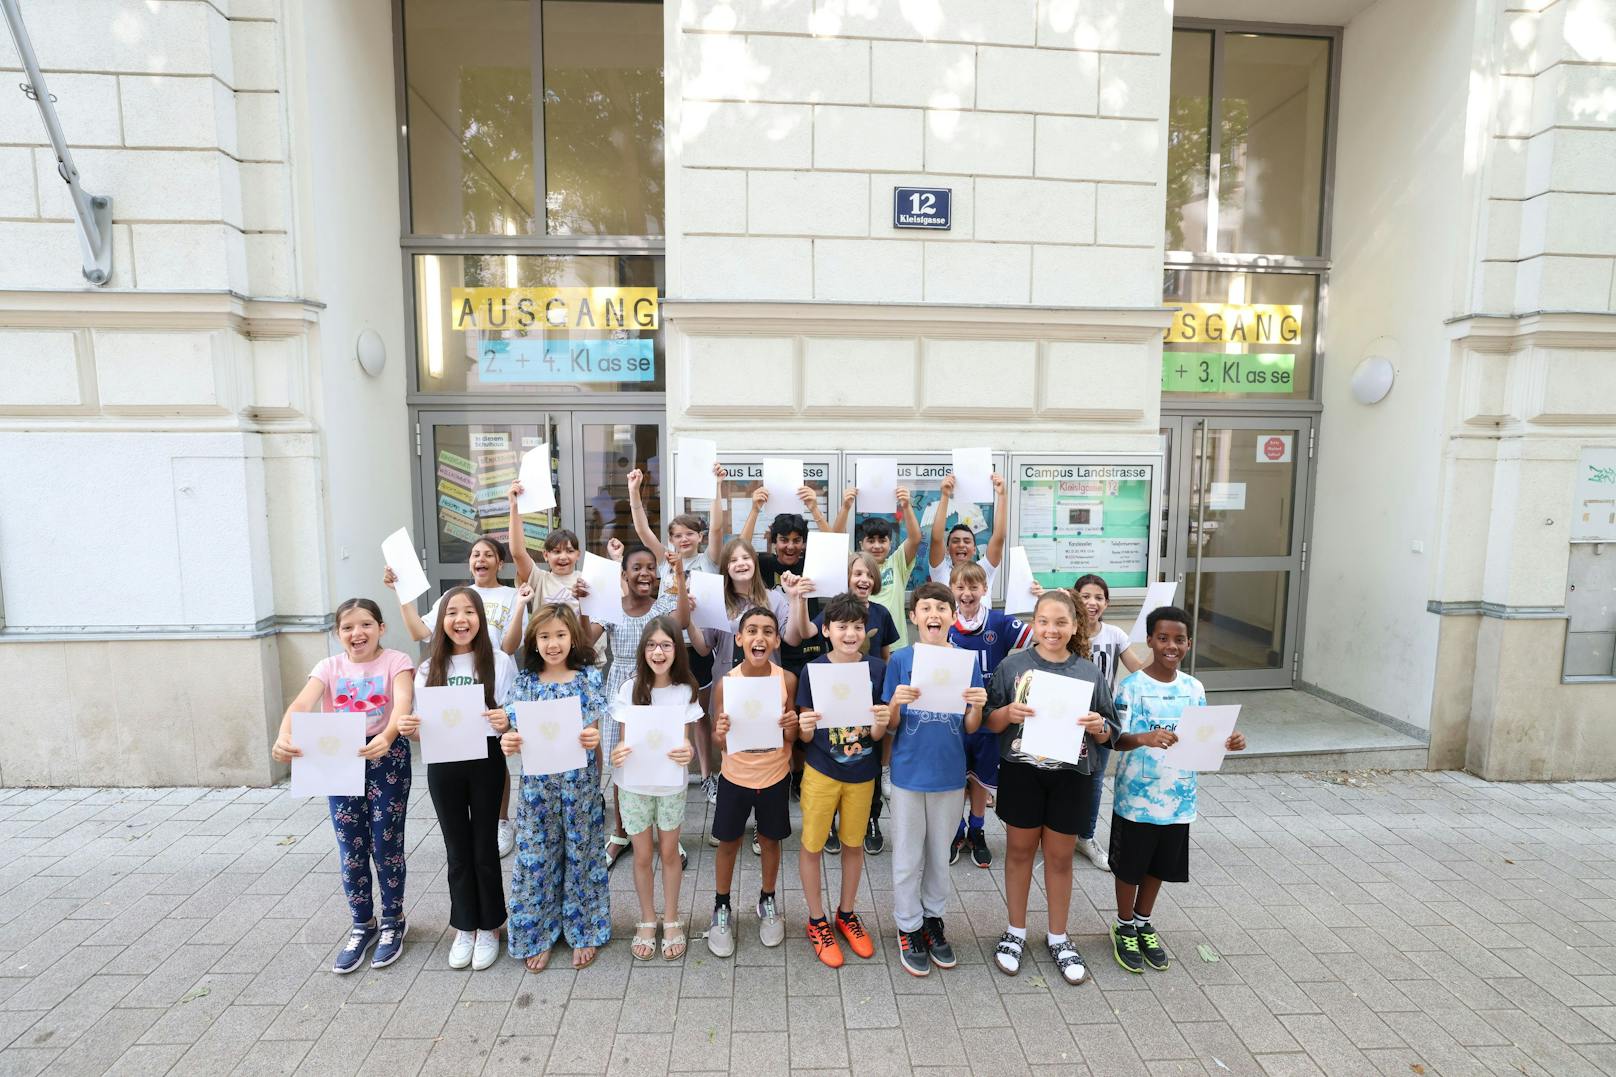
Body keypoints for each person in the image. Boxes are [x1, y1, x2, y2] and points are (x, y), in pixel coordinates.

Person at [272, 598, 415, 974]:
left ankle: (393, 921)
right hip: (337, 759)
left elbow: (402, 703)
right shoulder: (328, 667)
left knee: (386, 843)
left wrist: (387, 735)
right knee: (350, 844)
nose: (358, 633)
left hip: (386, 757)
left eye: (366, 624)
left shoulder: (397, 661)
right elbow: (302, 704)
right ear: (338, 634)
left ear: (381, 628)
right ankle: (362, 923)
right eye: (348, 627)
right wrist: (283, 736)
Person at [983, 589, 1117, 986]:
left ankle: (1058, 936)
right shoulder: (1013, 666)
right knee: (1020, 852)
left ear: (1076, 625)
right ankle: (1015, 931)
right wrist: (1006, 713)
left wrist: (1099, 727)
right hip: (1022, 772)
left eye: (1061, 622)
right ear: (1033, 625)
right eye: (1044, 622)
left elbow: (1110, 729)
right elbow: (990, 722)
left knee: (1059, 858)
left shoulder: (1088, 672)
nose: (1052, 629)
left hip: (1071, 776)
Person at [1109, 605, 1245, 974]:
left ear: (1189, 643)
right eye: (1164, 638)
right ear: (1150, 640)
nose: (1172, 645)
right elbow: (1115, 739)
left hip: (1179, 797)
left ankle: (1142, 920)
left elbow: (1203, 736)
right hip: (1137, 798)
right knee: (1130, 865)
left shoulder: (1193, 688)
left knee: (1160, 864)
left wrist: (1226, 741)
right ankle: (1122, 925)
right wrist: (1145, 737)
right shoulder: (1131, 686)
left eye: (1179, 639)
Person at [395, 588, 516, 971]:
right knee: (456, 848)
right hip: (443, 763)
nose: (460, 620)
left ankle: (491, 925)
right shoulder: (430, 668)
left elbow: (513, 711)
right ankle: (465, 925)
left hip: (485, 760)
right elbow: (418, 723)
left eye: (468, 612)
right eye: (452, 613)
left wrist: (507, 719)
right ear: (441, 621)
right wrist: (409, 728)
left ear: (480, 618)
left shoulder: (498, 660)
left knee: (484, 847)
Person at [882, 582, 986, 977]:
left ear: (952, 616)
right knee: (908, 855)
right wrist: (896, 702)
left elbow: (971, 726)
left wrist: (975, 706)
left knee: (939, 855)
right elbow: (890, 725)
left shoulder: (966, 660)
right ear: (914, 617)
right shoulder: (901, 661)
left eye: (942, 608)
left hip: (949, 774)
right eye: (926, 608)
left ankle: (932, 919)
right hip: (909, 773)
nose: (934, 615)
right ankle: (907, 925)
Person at [499, 603, 610, 972]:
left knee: (583, 854)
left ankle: (584, 930)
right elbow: (513, 732)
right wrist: (509, 742)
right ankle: (537, 933)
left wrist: (593, 738)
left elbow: (592, 728)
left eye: (560, 635)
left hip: (579, 785)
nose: (553, 643)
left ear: (573, 639)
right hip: (536, 789)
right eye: (544, 636)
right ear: (533, 641)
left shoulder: (588, 679)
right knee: (536, 858)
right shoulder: (525, 683)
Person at [793, 592, 887, 967]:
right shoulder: (812, 670)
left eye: (857, 627)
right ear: (826, 630)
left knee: (853, 844)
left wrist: (881, 725)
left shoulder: (877, 670)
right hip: (821, 770)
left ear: (865, 631)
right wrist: (803, 726)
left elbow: (878, 736)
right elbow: (802, 737)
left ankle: (846, 913)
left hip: (863, 772)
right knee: (813, 845)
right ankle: (816, 920)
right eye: (842, 626)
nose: (850, 634)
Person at [627, 464, 724, 804]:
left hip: (698, 646)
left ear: (699, 537)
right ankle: (660, 764)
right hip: (665, 647)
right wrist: (635, 492)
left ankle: (708, 776)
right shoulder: (665, 562)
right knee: (661, 706)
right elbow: (642, 528)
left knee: (699, 713)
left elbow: (718, 529)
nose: (683, 539)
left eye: (689, 534)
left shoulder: (709, 560)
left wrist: (716, 485)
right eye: (677, 535)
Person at [705, 608, 798, 957]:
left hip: (774, 776)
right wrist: (721, 733)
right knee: (727, 842)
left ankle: (767, 899)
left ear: (776, 640)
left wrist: (791, 724)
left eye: (768, 632)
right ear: (740, 639)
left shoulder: (786, 681)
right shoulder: (726, 685)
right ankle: (721, 906)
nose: (760, 637)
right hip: (735, 776)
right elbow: (721, 742)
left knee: (771, 840)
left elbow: (791, 738)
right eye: (752, 631)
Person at [609, 617, 702, 961]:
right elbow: (621, 746)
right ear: (642, 650)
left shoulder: (685, 691)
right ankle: (648, 919)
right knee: (643, 856)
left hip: (670, 786)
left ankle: (673, 918)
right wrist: (617, 755)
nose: (658, 652)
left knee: (669, 852)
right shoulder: (628, 688)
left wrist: (688, 752)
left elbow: (687, 744)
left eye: (665, 645)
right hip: (633, 786)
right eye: (651, 645)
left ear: (676, 650)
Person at [597, 544, 682, 869]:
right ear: (624, 574)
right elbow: (585, 637)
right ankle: (621, 833)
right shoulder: (612, 607)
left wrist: (680, 578)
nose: (645, 573)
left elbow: (683, 621)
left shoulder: (662, 605)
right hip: (622, 688)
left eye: (651, 567)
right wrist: (586, 602)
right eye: (637, 567)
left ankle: (664, 837)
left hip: (657, 690)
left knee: (658, 758)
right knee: (624, 763)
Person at [945, 560, 1032, 869]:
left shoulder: (998, 622)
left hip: (990, 714)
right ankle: (955, 832)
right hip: (954, 714)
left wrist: (1041, 598)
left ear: (984, 589)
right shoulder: (945, 622)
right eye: (960, 586)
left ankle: (977, 829)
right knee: (955, 776)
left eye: (973, 587)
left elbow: (1038, 635)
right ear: (952, 589)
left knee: (981, 778)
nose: (967, 593)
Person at [1070, 573, 1145, 872]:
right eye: (1086, 596)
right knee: (1063, 776)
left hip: (1103, 718)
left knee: (1095, 780)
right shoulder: (1068, 631)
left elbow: (1138, 670)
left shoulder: (1115, 635)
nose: (1092, 602)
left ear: (1107, 603)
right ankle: (1058, 832)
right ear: (1075, 599)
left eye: (1099, 597)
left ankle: (1085, 837)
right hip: (1070, 716)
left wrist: (1160, 649)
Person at [926, 472, 1008, 594]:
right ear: (947, 550)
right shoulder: (940, 571)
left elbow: (999, 537)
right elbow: (936, 538)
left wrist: (1002, 495)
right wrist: (945, 495)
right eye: (955, 541)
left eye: (967, 541)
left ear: (974, 549)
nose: (961, 545)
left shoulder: (984, 570)